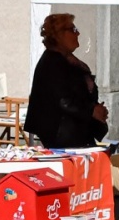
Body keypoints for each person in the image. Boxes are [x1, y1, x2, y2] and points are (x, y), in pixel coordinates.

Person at [25, 12, 108, 148]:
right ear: (59, 35)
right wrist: (92, 111)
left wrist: (96, 109)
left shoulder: (67, 61)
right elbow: (64, 101)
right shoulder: (53, 62)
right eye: (73, 29)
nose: (78, 33)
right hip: (61, 135)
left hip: (73, 132)